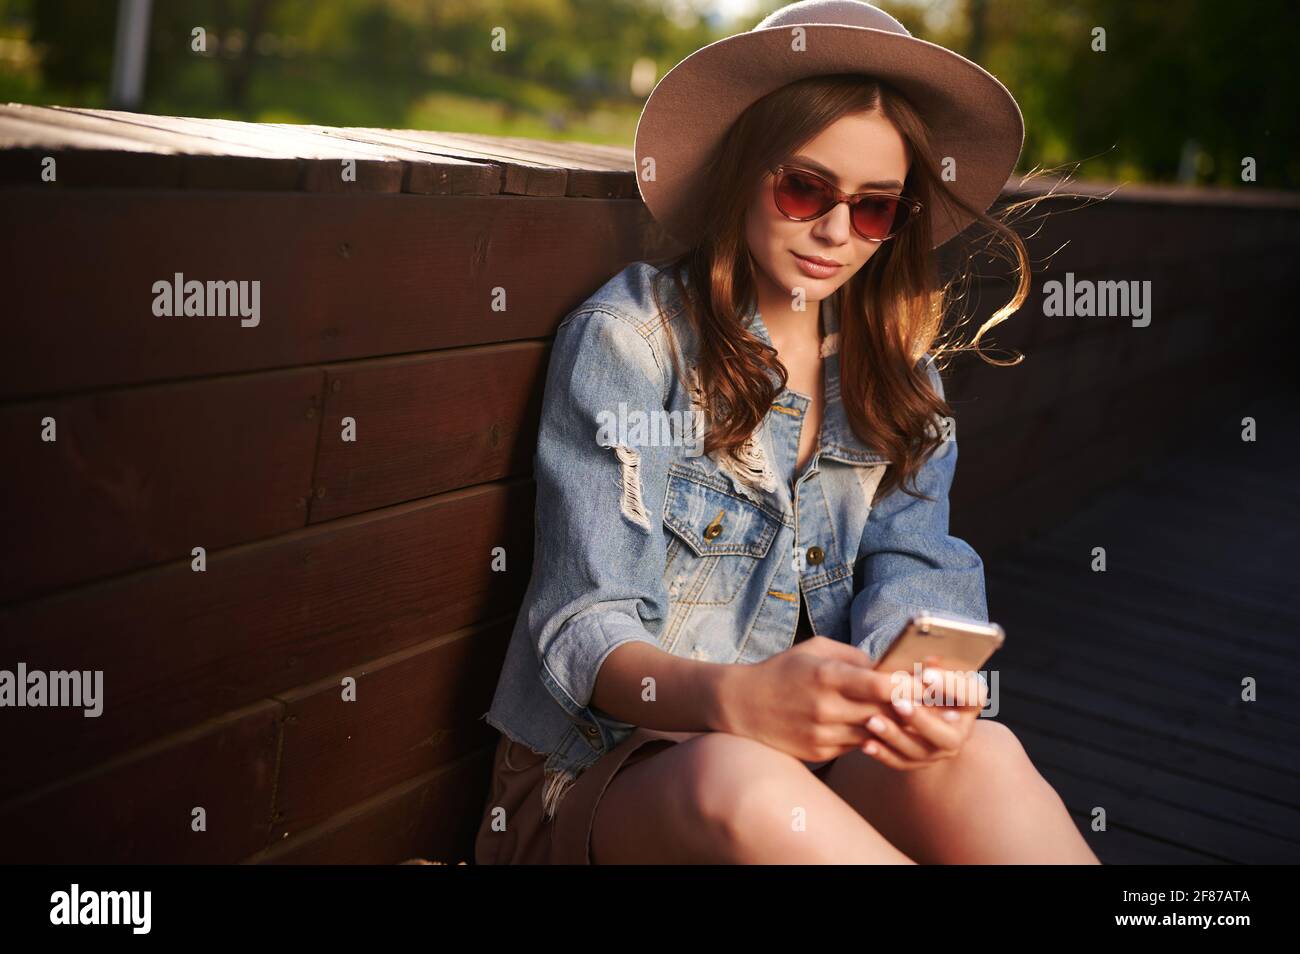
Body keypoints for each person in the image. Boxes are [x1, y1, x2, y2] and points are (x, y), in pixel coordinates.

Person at [474, 0, 1100, 865]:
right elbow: (583, 628)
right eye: (805, 187)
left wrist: (922, 682)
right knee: (741, 783)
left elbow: (916, 562)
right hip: (603, 775)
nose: (838, 232)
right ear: (744, 170)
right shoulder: (632, 339)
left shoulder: (900, 373)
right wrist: (739, 701)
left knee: (983, 752)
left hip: (801, 768)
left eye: (877, 207)